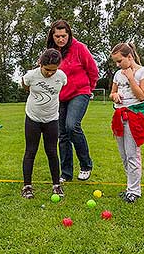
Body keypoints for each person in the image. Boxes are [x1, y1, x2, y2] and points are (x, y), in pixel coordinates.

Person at [46, 20, 99, 182]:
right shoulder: (51, 52)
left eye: (63, 36)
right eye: (57, 36)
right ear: (52, 36)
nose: (60, 39)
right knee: (62, 134)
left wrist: (89, 89)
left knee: (72, 125)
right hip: (60, 96)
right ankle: (66, 173)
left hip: (80, 92)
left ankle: (85, 164)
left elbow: (93, 70)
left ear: (69, 35)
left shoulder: (79, 48)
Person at [21, 48, 67, 199]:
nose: (50, 73)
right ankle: (27, 186)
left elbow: (62, 88)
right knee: (31, 151)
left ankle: (56, 185)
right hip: (33, 118)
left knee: (52, 152)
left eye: (53, 70)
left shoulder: (61, 77)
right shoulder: (31, 75)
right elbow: (25, 84)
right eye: (47, 70)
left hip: (52, 119)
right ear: (41, 64)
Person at [110, 43, 144, 203]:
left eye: (119, 61)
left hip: (135, 117)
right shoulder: (117, 74)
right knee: (124, 155)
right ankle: (130, 188)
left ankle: (134, 191)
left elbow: (142, 95)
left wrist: (130, 77)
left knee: (133, 154)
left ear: (129, 57)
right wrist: (114, 96)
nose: (117, 65)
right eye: (116, 62)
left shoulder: (143, 72)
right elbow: (112, 92)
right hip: (119, 116)